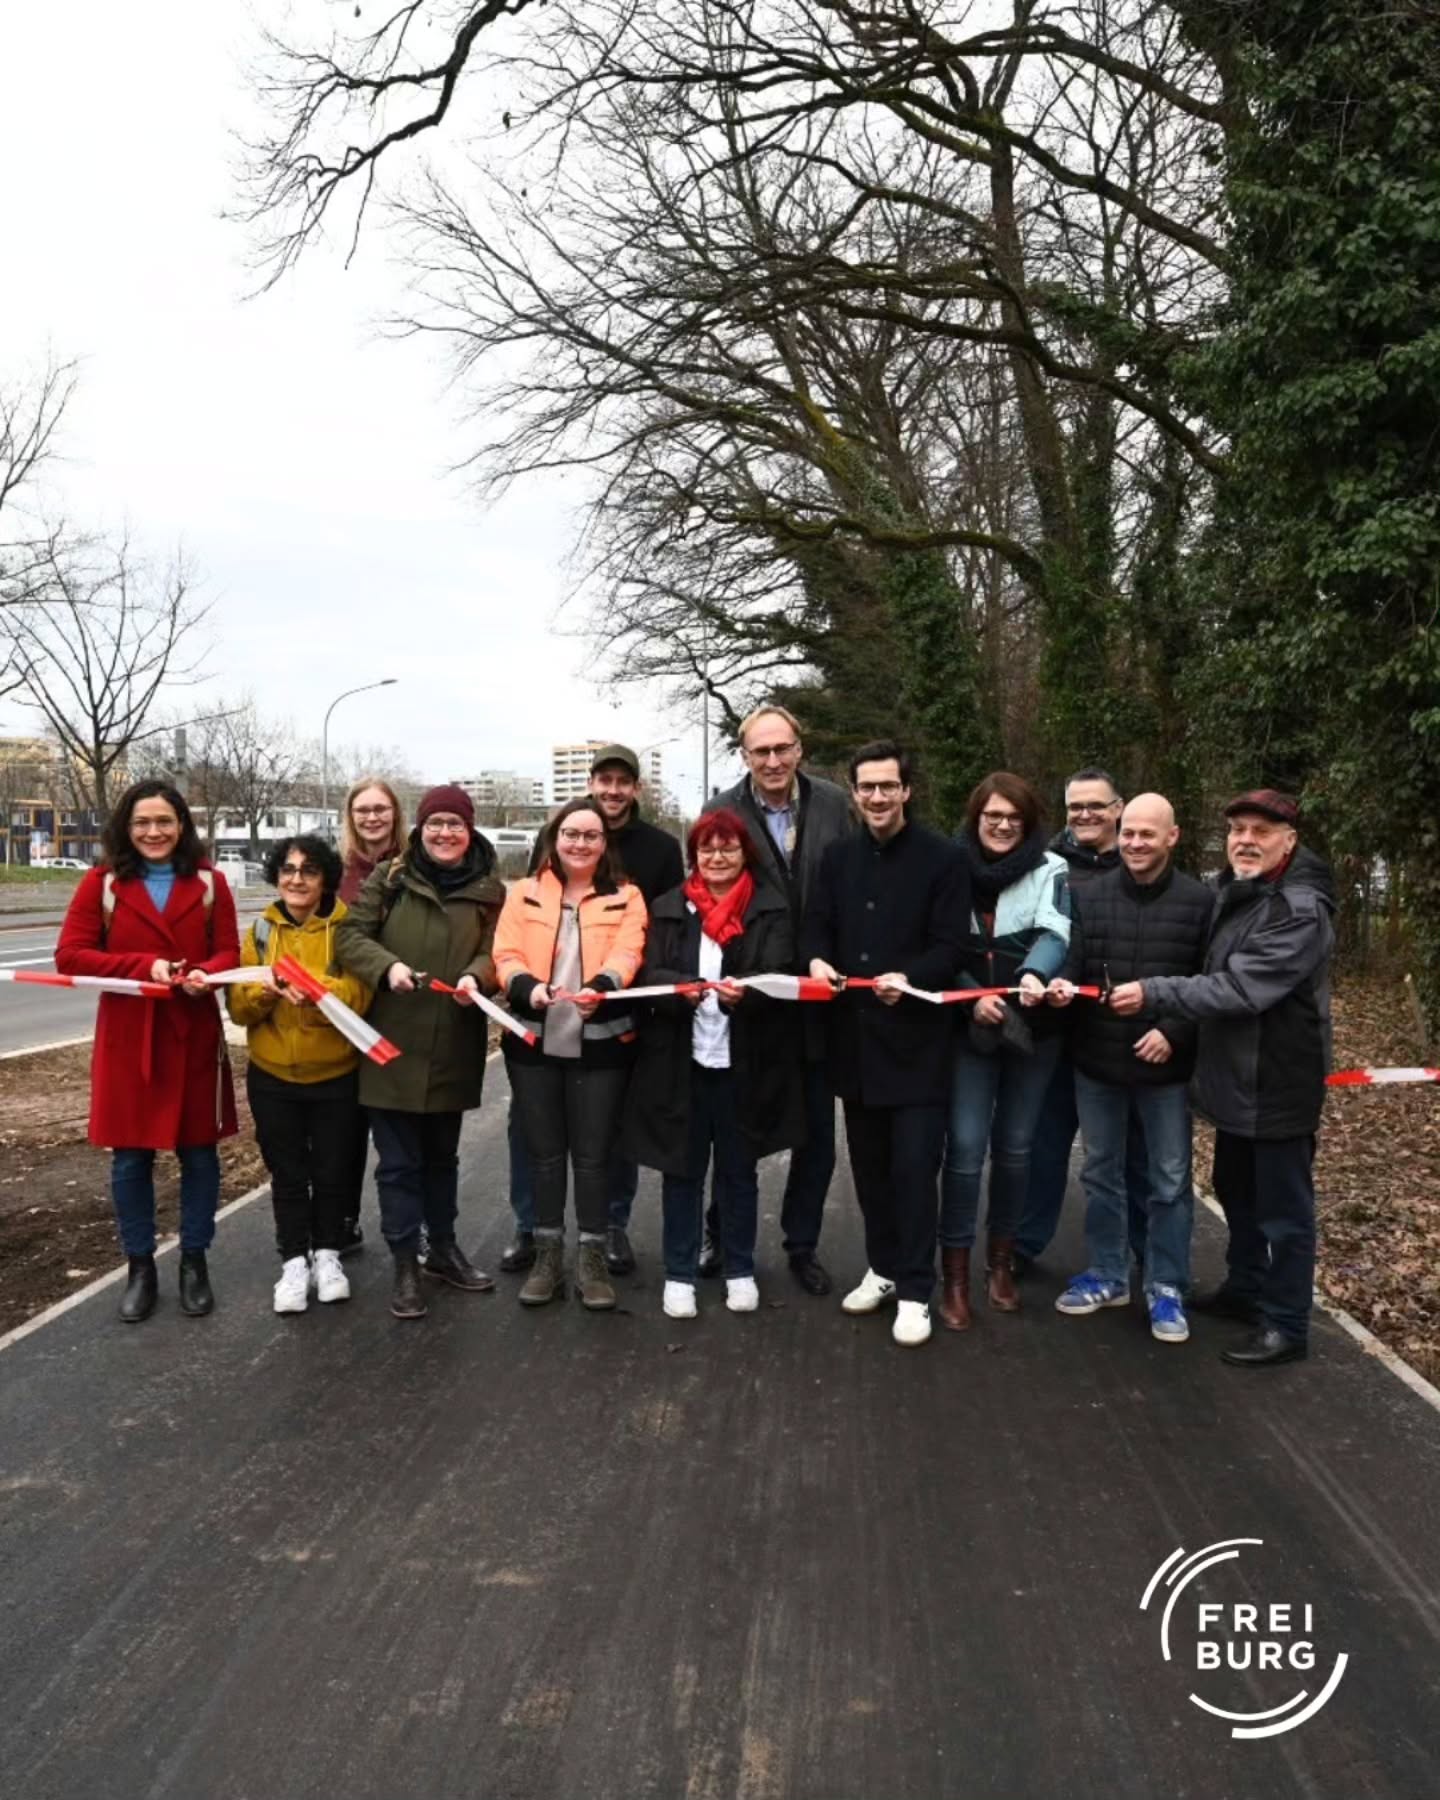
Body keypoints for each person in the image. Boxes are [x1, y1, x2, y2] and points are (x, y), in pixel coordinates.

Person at [1109, 790, 1335, 1367]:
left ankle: (1286, 1325)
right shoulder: (1240, 894)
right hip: (1238, 1081)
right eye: (1237, 829)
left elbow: (1238, 988)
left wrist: (1155, 994)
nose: (1246, 840)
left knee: (1285, 1213)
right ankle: (1245, 1288)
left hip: (1278, 1082)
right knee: (1237, 1191)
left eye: (1261, 831)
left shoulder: (1298, 908)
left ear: (1290, 839)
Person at [54, 780, 240, 1323]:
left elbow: (227, 947)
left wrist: (210, 971)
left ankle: (194, 1263)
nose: (153, 832)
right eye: (142, 823)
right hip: (128, 1038)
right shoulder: (102, 884)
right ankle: (140, 1267)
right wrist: (143, 967)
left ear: (181, 825)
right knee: (131, 1158)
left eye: (164, 822)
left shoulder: (210, 882)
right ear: (125, 828)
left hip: (193, 1036)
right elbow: (70, 955)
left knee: (199, 1155)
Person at [804, 740, 968, 1348]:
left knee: (913, 1169)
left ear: (907, 790)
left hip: (919, 1044)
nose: (877, 796)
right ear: (854, 793)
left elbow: (953, 946)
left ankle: (918, 1290)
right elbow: (817, 925)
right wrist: (817, 958)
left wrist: (914, 977)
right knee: (870, 1171)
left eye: (887, 786)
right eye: (866, 787)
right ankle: (884, 1268)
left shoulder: (943, 858)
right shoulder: (837, 857)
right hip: (856, 1042)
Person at [500, 743, 681, 1279]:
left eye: (623, 781)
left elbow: (659, 934)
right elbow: (519, 934)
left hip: (619, 1016)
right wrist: (526, 984)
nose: (613, 790)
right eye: (604, 779)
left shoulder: (657, 854)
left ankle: (609, 1229)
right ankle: (532, 1225)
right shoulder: (547, 855)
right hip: (540, 1025)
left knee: (609, 1133)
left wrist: (618, 984)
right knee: (531, 1132)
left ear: (635, 790)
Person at [624, 809, 805, 1318]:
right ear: (694, 856)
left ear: (744, 852)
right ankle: (679, 1272)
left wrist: (742, 995)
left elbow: (779, 970)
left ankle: (739, 1267)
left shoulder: (770, 907)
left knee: (738, 1171)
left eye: (727, 848)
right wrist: (678, 993)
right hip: (680, 1060)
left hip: (745, 1061)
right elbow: (648, 973)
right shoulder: (668, 907)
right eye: (707, 849)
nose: (717, 857)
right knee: (681, 1171)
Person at [1046, 795, 1213, 1343]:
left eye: (1148, 834)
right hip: (1097, 1062)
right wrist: (1059, 989)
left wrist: (1174, 1031)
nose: (1136, 843)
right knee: (1101, 1173)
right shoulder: (1088, 895)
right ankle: (1109, 1272)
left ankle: (1166, 1286)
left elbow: (1210, 981)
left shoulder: (1200, 901)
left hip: (1165, 1069)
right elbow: (1074, 963)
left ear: (1173, 837)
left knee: (1168, 1181)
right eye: (1130, 834)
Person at [335, 784, 504, 1321]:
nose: (445, 833)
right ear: (420, 828)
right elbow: (350, 938)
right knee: (399, 1165)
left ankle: (444, 1250)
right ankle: (406, 1261)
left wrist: (478, 977)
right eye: (436, 823)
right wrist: (387, 967)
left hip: (454, 1040)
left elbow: (496, 951)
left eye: (455, 824)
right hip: (391, 1043)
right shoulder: (391, 879)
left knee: (442, 1159)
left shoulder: (489, 891)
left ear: (470, 830)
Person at [703, 703, 853, 1295]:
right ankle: (722, 1233)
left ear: (799, 750)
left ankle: (802, 1244)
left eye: (781, 748)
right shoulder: (722, 810)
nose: (772, 760)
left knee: (817, 1134)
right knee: (738, 1128)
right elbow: (709, 890)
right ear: (744, 756)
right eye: (760, 751)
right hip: (753, 992)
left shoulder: (836, 804)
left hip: (819, 991)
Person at [493, 797, 648, 1310]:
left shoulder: (626, 896)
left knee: (593, 1156)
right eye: (571, 834)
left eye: (591, 835)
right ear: (554, 838)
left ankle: (592, 1258)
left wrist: (605, 984)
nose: (580, 843)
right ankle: (546, 1255)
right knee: (542, 1154)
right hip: (534, 1041)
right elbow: (505, 953)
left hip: (601, 1045)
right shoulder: (523, 894)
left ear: (605, 844)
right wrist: (524, 986)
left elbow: (630, 950)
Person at [938, 773, 1070, 1329]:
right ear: (976, 816)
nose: (1002, 824)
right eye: (992, 815)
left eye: (1013, 817)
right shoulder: (948, 864)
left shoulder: (1051, 867)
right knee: (965, 1150)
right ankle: (955, 1277)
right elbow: (937, 941)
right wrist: (973, 998)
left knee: (1016, 1149)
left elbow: (1056, 931)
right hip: (969, 1028)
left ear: (1029, 821)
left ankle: (1000, 1265)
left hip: (1032, 1030)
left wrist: (1034, 976)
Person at [227, 835, 372, 1315]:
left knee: (331, 1172)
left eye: (309, 870)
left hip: (335, 1075)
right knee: (287, 1175)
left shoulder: (347, 927)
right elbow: (239, 1008)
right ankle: (293, 1261)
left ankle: (328, 1256)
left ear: (326, 877)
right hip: (273, 1076)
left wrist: (317, 989)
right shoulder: (261, 931)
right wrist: (265, 993)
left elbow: (361, 996)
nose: (296, 878)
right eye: (288, 869)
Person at [1015, 767, 1126, 1270]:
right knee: (1045, 1143)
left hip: (1119, 1031)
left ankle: (1141, 1257)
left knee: (1126, 1157)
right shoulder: (1047, 865)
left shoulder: (1140, 862)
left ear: (1117, 808)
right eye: (1075, 806)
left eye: (1095, 806)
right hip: (1056, 1029)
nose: (1084, 815)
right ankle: (1023, 1244)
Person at [334, 776, 408, 1254]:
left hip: (399, 1007)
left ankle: (408, 1227)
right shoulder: (336, 872)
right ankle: (343, 1219)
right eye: (363, 809)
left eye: (381, 808)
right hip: (343, 1012)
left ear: (395, 814)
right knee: (343, 1129)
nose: (372, 817)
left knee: (399, 1135)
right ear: (351, 816)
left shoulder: (412, 866)